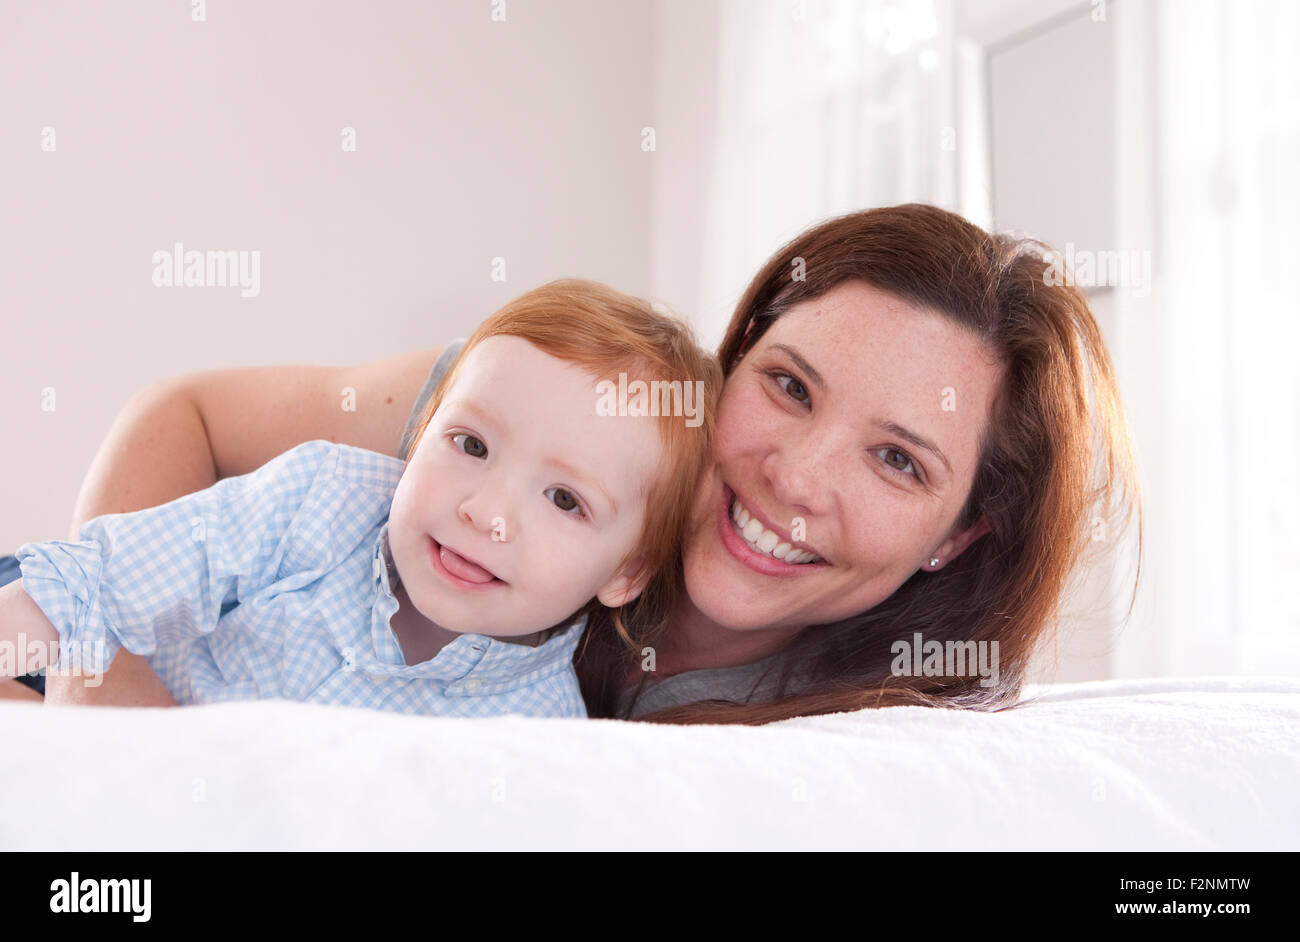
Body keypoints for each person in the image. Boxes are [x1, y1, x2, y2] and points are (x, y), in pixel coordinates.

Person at [4, 204, 1141, 724]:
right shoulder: (527, 417)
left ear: (956, 535)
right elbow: (186, 411)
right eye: (787, 385)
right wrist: (115, 703)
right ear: (725, 362)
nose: (795, 475)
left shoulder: (859, 734)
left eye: (896, 460)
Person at [0, 279, 719, 716]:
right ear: (422, 426)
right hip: (99, 654)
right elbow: (91, 579)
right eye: (469, 445)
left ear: (628, 572)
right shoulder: (321, 499)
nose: (485, 513)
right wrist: (87, 686)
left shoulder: (535, 734)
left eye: (565, 499)